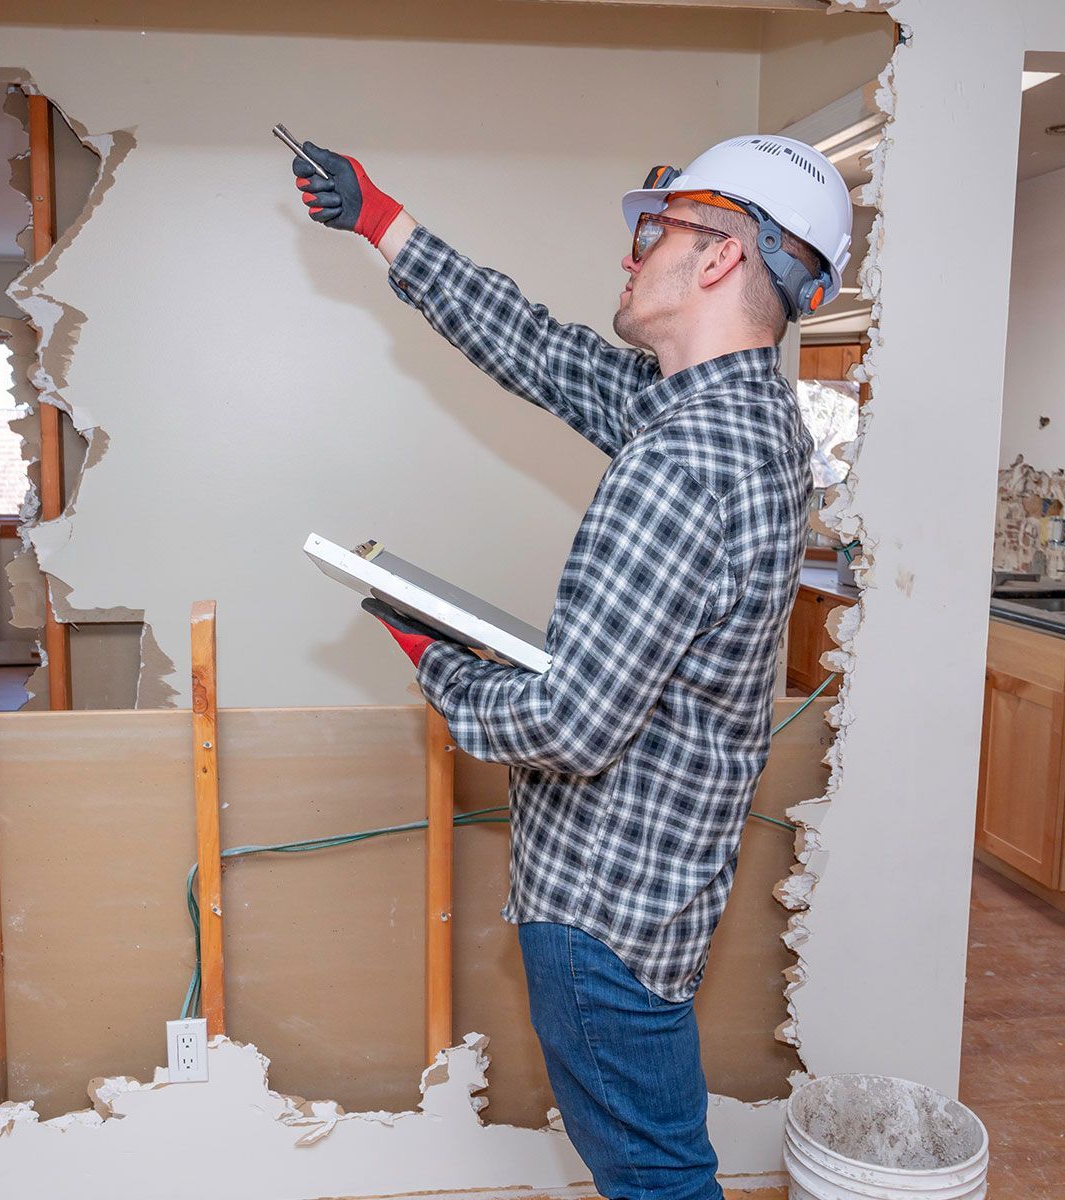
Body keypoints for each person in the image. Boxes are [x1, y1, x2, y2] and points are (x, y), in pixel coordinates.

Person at [288, 135, 851, 1200]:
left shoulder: (684, 462)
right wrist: (382, 219)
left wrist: (438, 665)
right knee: (662, 1163)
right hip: (660, 894)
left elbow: (570, 727)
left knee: (656, 1179)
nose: (633, 256)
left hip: (603, 913)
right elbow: (542, 351)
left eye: (659, 231)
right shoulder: (745, 421)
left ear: (720, 258)